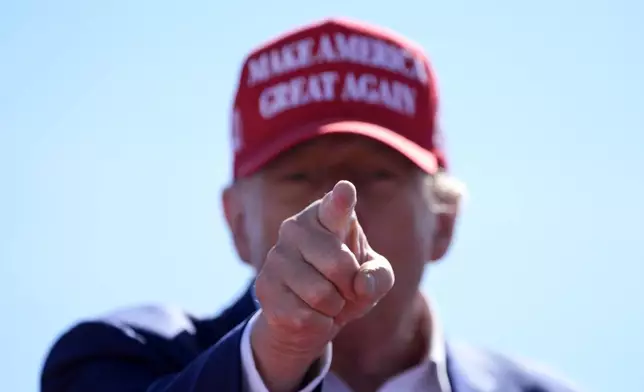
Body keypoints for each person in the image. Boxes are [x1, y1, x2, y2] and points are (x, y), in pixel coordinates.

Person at [40, 17, 581, 392]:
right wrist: (275, 355)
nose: (334, 208)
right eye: (297, 176)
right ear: (237, 223)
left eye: (378, 175)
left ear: (443, 221)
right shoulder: (119, 361)